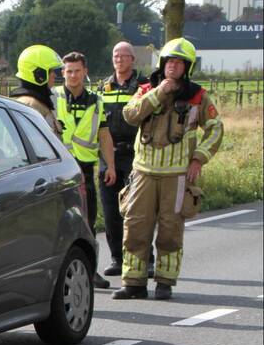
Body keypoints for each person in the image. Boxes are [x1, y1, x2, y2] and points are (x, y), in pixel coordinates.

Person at [113, 38, 224, 300]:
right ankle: (133, 283)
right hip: (143, 172)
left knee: (170, 230)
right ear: (162, 64)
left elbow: (216, 128)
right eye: (169, 62)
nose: (172, 67)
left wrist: (199, 158)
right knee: (135, 227)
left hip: (176, 175)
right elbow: (130, 115)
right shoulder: (146, 89)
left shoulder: (198, 96)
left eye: (178, 63)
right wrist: (159, 92)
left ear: (188, 67)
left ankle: (165, 282)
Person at [53, 51, 116, 289]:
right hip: (59, 171)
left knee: (88, 223)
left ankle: (90, 272)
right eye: (68, 71)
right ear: (62, 73)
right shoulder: (54, 97)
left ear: (85, 72)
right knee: (59, 223)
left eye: (77, 71)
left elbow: (104, 135)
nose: (73, 75)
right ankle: (58, 272)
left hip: (86, 170)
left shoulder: (96, 101)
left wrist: (109, 165)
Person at [99, 42, 151, 279]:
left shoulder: (145, 85)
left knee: (137, 210)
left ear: (132, 59)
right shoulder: (104, 86)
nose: (119, 60)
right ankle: (117, 259)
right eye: (115, 56)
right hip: (109, 155)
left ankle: (145, 259)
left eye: (123, 56)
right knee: (111, 211)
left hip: (136, 155)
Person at [9, 44, 63, 133]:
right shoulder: (29, 106)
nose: (55, 75)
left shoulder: (37, 103)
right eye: (51, 71)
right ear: (39, 74)